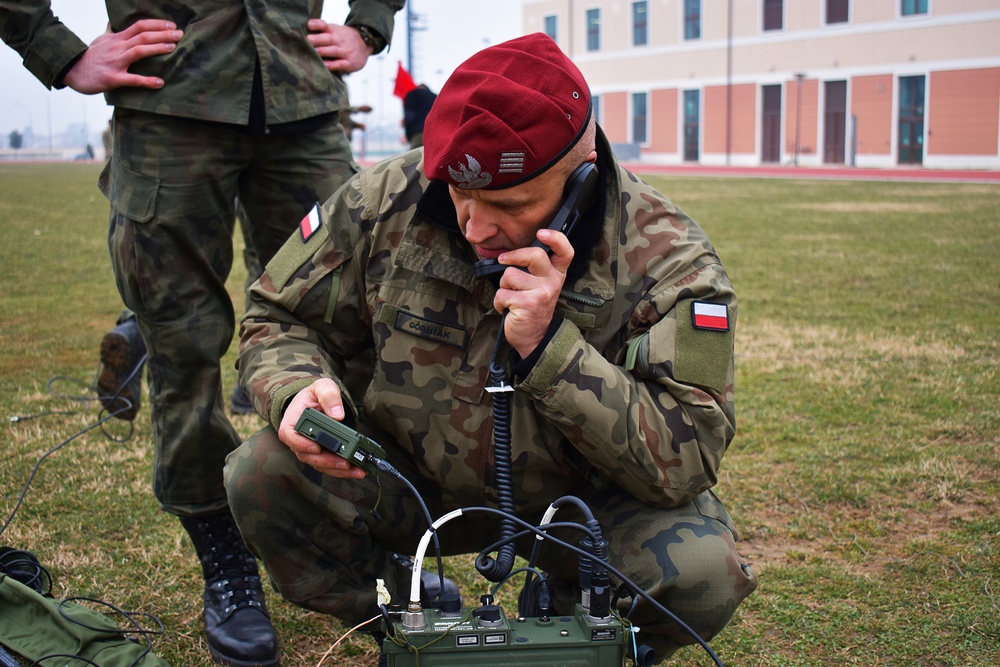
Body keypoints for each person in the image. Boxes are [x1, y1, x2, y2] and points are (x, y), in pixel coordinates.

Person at [225, 33, 757, 663]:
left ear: (583, 175)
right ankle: (411, 622)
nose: (474, 227)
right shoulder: (386, 196)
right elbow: (278, 315)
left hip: (577, 504)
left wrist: (551, 352)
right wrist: (294, 385)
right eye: (457, 194)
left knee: (700, 573)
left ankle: (568, 640)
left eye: (508, 204)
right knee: (261, 475)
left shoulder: (669, 260)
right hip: (410, 477)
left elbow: (688, 455)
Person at [0, 2, 404, 665]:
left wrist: (369, 26)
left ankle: (357, 539)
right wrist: (58, 50)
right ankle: (224, 553)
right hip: (170, 104)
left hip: (301, 101)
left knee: (345, 322)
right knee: (183, 344)